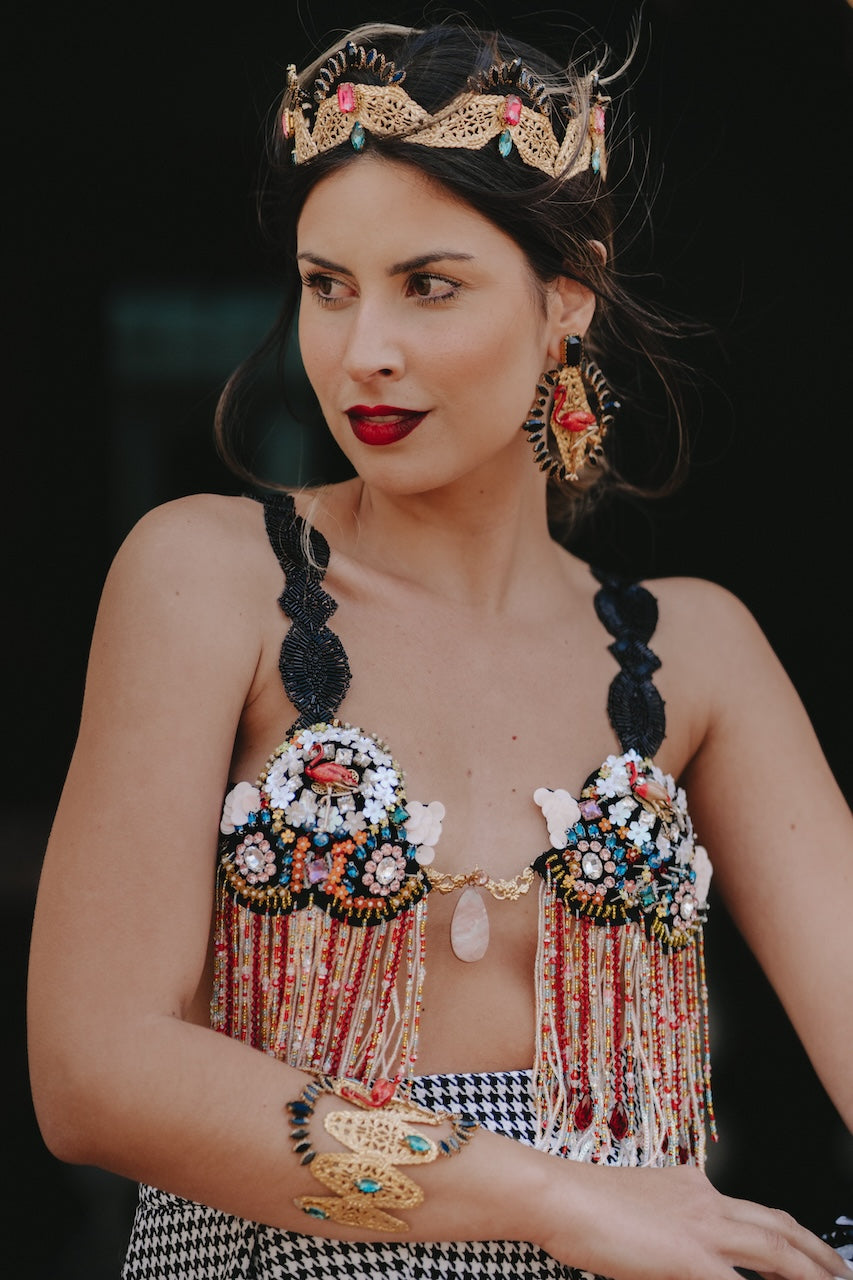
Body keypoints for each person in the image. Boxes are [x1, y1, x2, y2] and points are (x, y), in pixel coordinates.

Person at [27, 18, 852, 1280]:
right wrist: (551, 1195)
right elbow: (94, 1071)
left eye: (429, 284)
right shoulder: (207, 577)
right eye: (327, 286)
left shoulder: (697, 653)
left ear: (565, 298)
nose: (363, 350)